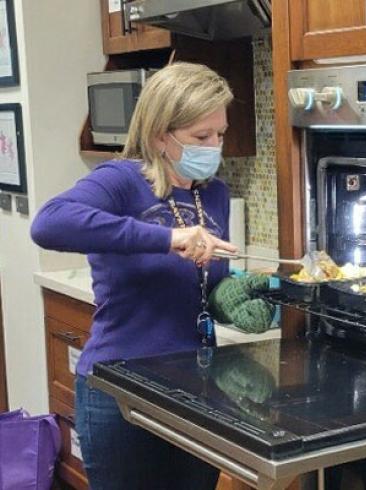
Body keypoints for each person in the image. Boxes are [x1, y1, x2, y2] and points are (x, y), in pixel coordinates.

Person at [31, 62, 240, 489]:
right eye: (202, 137)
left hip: (196, 391)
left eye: (219, 134)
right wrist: (168, 238)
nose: (214, 146)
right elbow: (49, 223)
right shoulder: (121, 180)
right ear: (161, 134)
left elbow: (205, 287)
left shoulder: (214, 193)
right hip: (120, 392)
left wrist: (238, 296)